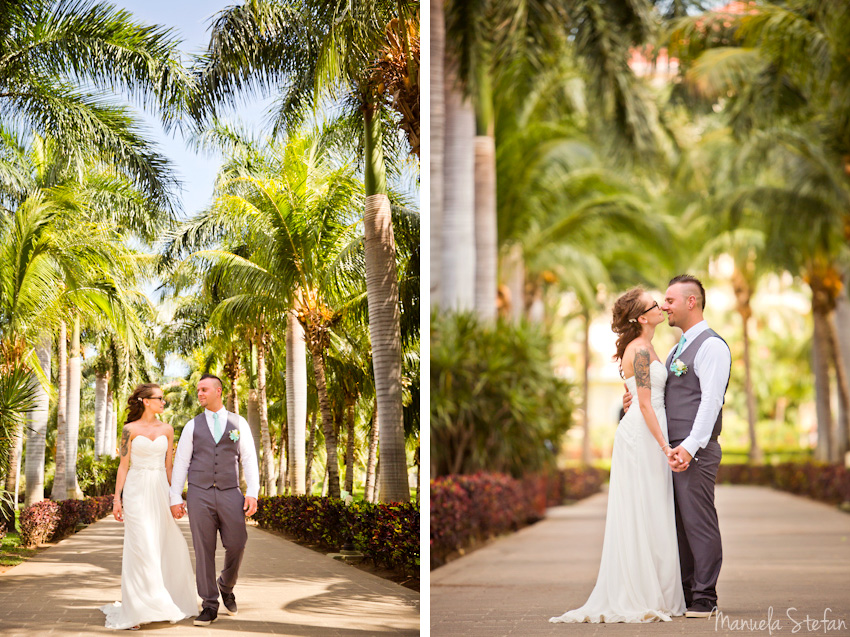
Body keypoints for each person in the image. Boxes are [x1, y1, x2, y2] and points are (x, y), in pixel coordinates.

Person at [550, 288, 686, 624]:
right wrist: (665, 446)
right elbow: (642, 402)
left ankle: (658, 590)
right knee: (644, 510)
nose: (661, 308)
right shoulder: (639, 350)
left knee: (654, 509)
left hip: (648, 430)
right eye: (655, 305)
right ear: (642, 317)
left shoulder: (650, 347)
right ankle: (641, 593)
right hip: (642, 437)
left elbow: (641, 395)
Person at [626, 274, 730, 619]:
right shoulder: (675, 349)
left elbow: (710, 402)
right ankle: (686, 591)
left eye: (669, 300)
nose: (664, 306)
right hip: (668, 451)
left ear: (691, 302)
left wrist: (689, 447)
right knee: (678, 524)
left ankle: (705, 595)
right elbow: (655, 391)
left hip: (693, 450)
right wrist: (632, 395)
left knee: (698, 521)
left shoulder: (712, 346)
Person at [101, 384, 197, 630]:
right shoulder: (128, 430)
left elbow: (169, 467)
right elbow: (123, 466)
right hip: (136, 490)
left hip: (159, 491)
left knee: (164, 543)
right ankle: (136, 609)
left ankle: (164, 600)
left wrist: (175, 496)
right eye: (159, 399)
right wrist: (116, 499)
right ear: (145, 401)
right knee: (141, 545)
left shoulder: (167, 429)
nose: (164, 403)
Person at [169, 374, 259, 627]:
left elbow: (249, 459)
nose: (199, 393)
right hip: (200, 493)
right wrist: (176, 496)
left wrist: (252, 491)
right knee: (204, 550)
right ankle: (209, 604)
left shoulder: (238, 422)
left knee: (238, 542)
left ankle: (226, 585)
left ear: (218, 391)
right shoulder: (192, 425)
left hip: (231, 491)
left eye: (204, 389)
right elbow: (181, 463)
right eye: (198, 390)